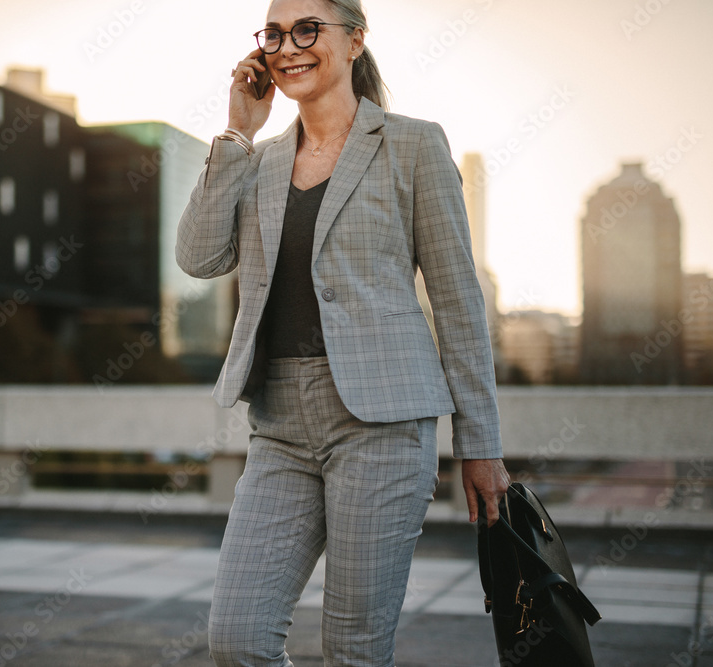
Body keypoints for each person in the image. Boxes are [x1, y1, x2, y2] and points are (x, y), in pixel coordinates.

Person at [176, 0, 510, 664]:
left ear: (354, 40)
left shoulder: (413, 144)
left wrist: (482, 442)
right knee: (236, 637)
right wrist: (238, 133)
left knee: (354, 647)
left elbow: (457, 299)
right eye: (274, 33)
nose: (288, 46)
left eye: (308, 29)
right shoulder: (261, 160)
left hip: (384, 425)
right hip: (280, 426)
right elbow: (198, 256)